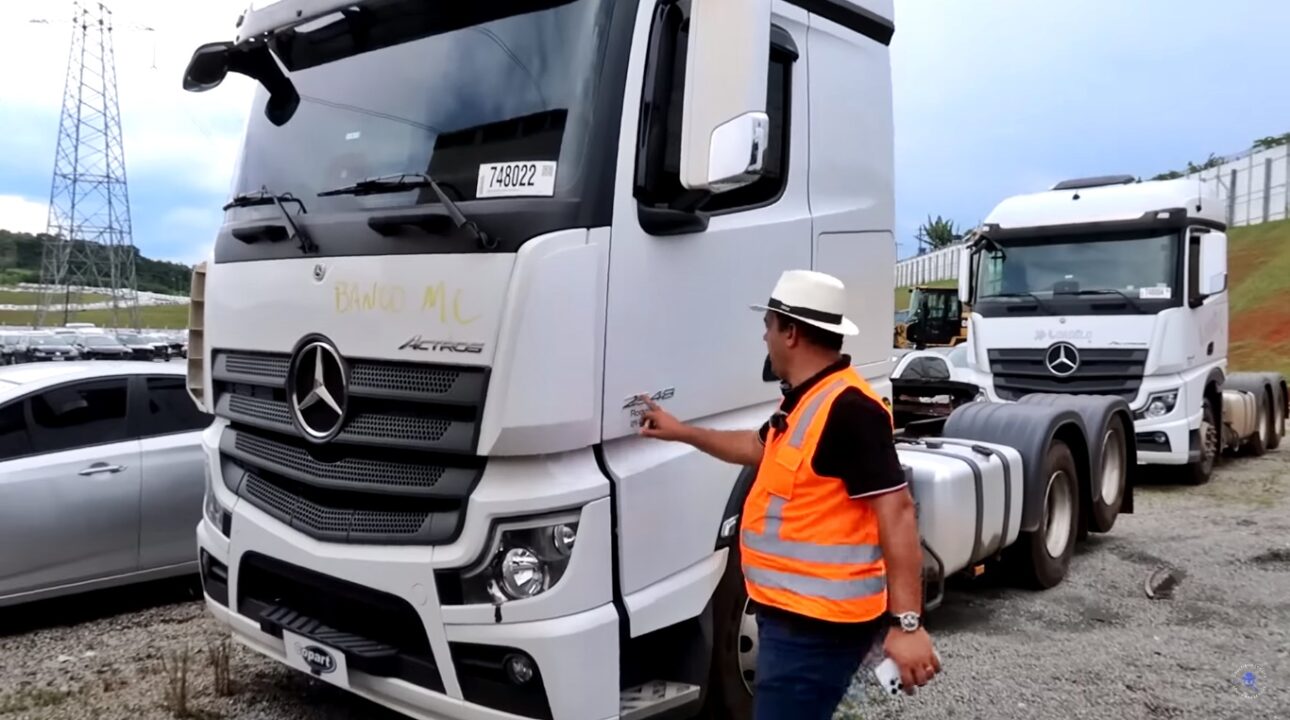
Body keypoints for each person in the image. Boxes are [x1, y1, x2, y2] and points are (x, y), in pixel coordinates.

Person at [636, 269, 939, 719]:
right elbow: (755, 448)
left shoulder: (849, 409)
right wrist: (682, 432)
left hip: (816, 629)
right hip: (793, 620)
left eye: (769, 326)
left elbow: (898, 513)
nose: (764, 338)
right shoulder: (804, 401)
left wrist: (907, 624)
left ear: (791, 332)